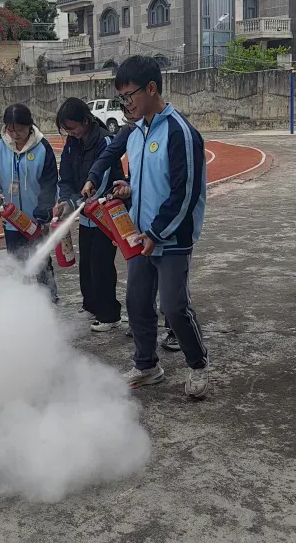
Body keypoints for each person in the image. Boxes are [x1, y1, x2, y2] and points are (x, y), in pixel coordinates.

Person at [94, 56, 209, 399]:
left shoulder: (180, 132)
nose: (125, 103)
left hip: (171, 238)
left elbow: (184, 192)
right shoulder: (136, 133)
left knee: (173, 307)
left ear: (152, 89)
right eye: (121, 98)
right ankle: (147, 366)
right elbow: (146, 180)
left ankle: (198, 364)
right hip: (140, 235)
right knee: (137, 302)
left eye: (129, 95)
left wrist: (157, 232)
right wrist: (128, 189)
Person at [83, 111, 180, 353]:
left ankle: (175, 330)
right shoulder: (130, 132)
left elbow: (177, 185)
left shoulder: (173, 131)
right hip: (139, 223)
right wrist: (97, 178)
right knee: (138, 291)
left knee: (172, 293)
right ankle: (144, 349)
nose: (128, 120)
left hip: (167, 225)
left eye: (130, 102)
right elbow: (109, 156)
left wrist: (162, 228)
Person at [55, 98, 124, 332]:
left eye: (72, 127)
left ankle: (109, 315)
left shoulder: (104, 140)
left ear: (85, 120)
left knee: (101, 264)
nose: (70, 133)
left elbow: (100, 181)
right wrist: (65, 199)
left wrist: (75, 202)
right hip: (85, 214)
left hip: (104, 213)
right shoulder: (72, 143)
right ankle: (91, 305)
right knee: (86, 263)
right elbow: (65, 175)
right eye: (66, 129)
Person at [0, 103, 59, 299]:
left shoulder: (43, 147)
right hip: (11, 219)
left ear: (29, 126)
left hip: (36, 218)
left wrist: (43, 213)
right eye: (11, 129)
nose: (15, 135)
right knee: (16, 262)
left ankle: (49, 300)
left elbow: (50, 183)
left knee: (41, 262)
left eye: (20, 130)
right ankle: (21, 302)